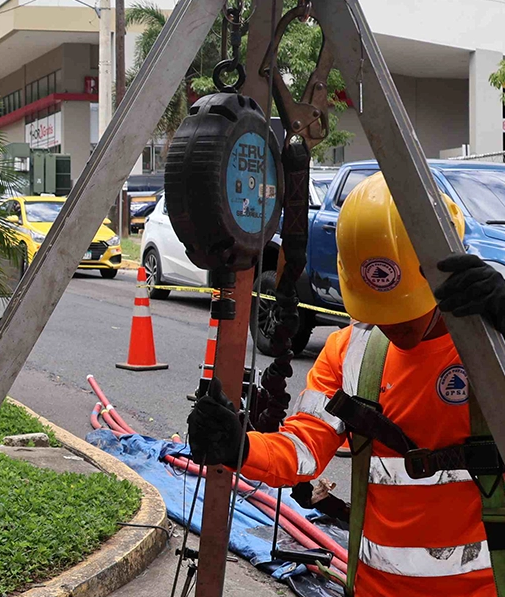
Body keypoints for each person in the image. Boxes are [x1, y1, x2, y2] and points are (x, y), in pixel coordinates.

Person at [188, 172, 504, 596]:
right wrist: (241, 447)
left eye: (402, 307)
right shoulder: (350, 351)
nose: (393, 325)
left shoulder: (491, 344)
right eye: (380, 310)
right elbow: (302, 448)